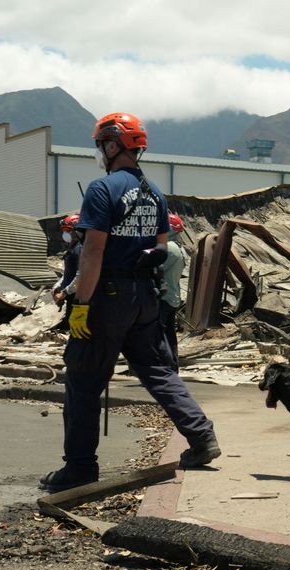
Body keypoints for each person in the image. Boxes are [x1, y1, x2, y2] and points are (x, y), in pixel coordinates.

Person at [39, 112, 221, 493]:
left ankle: (80, 468)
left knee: (84, 380)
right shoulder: (154, 193)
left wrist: (82, 303)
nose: (99, 153)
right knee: (158, 371)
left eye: (99, 146)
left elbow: (92, 253)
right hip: (144, 298)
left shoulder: (102, 190)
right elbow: (160, 247)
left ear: (110, 145)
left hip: (106, 298)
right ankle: (202, 438)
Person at [159, 213, 189, 371]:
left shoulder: (168, 248)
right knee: (169, 334)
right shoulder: (178, 248)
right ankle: (172, 367)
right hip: (172, 296)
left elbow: (154, 268)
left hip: (163, 298)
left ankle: (164, 368)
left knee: (159, 334)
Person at [51, 213, 83, 308]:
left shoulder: (80, 249)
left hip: (78, 298)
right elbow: (69, 273)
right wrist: (57, 286)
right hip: (71, 296)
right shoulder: (73, 248)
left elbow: (81, 275)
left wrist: (65, 292)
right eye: (64, 230)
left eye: (68, 230)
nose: (65, 234)